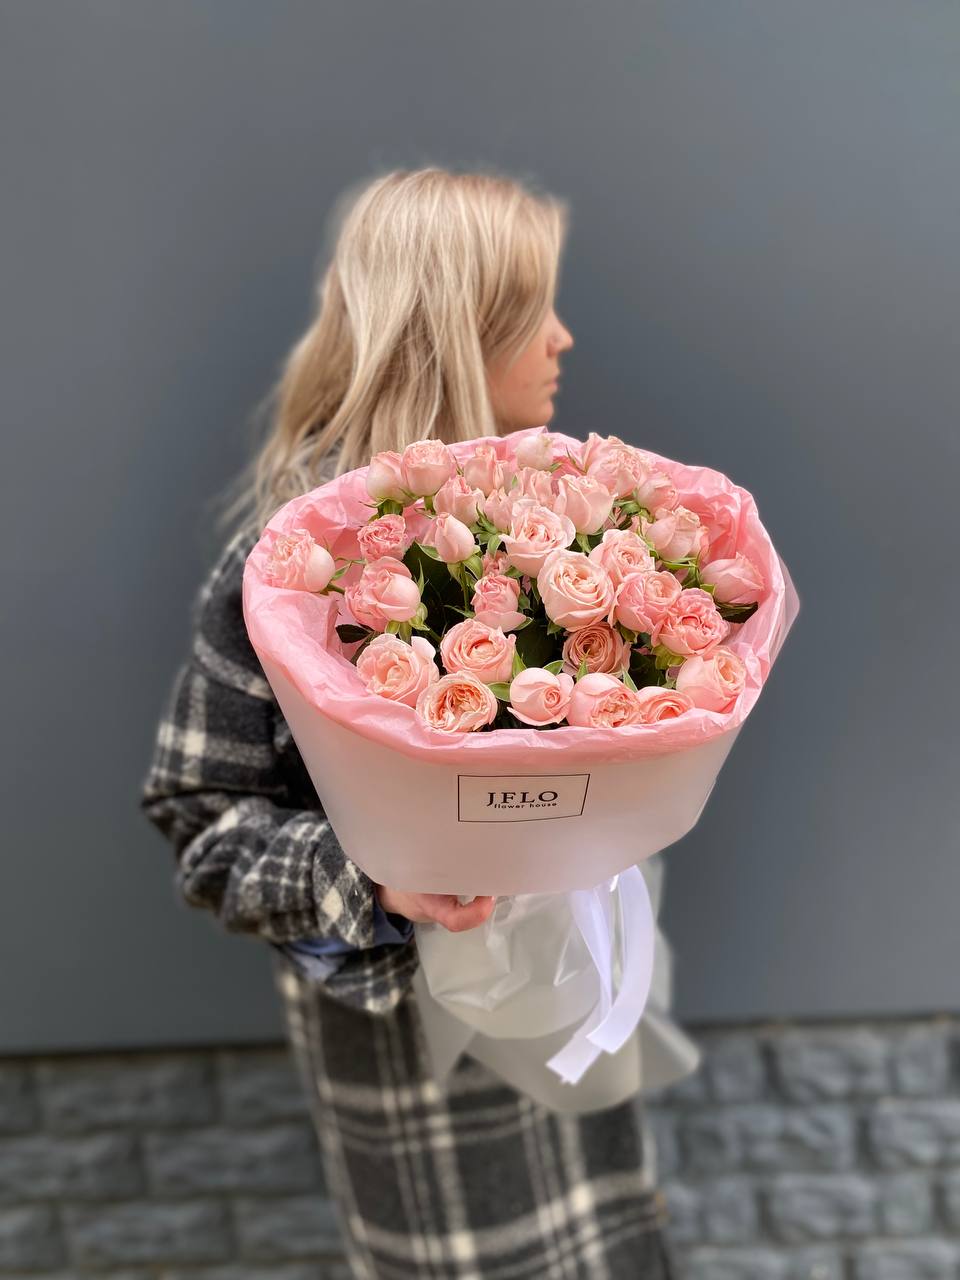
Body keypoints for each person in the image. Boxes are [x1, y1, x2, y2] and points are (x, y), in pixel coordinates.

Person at [139, 166, 688, 1279]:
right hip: (418, 1073)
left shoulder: (562, 529)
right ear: (455, 332)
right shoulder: (288, 569)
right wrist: (376, 879)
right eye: (535, 312)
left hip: (577, 1001)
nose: (565, 338)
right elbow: (202, 819)